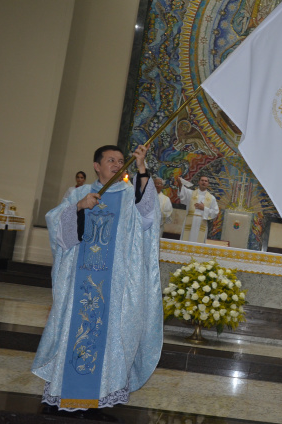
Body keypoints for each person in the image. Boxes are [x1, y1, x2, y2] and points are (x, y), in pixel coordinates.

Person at [32, 144, 162, 412]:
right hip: (80, 281)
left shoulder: (130, 195)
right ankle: (68, 389)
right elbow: (57, 229)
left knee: (113, 334)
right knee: (75, 331)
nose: (116, 164)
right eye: (111, 160)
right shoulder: (79, 193)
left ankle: (105, 390)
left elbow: (148, 216)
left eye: (120, 160)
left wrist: (141, 167)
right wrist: (79, 207)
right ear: (97, 166)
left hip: (115, 284)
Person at [175, 175, 219, 243]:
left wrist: (204, 208)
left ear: (208, 184)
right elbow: (182, 193)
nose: (203, 182)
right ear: (198, 182)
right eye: (202, 180)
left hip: (201, 223)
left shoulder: (211, 198)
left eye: (206, 181)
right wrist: (180, 184)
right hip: (190, 222)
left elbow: (215, 212)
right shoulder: (191, 193)